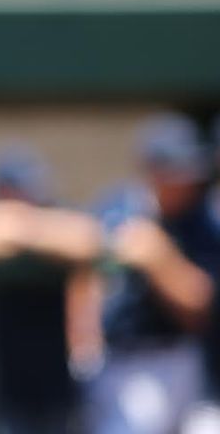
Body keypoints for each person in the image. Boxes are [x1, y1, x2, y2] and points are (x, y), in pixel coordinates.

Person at [0, 144, 102, 433]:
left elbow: (87, 239)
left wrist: (25, 229)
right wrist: (5, 229)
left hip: (54, 377)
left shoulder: (52, 214)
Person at [86, 113, 220, 434]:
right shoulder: (117, 207)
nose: (186, 183)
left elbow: (199, 306)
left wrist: (160, 259)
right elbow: (83, 272)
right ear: (151, 171)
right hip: (120, 360)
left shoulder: (201, 221)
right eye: (176, 173)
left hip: (180, 358)